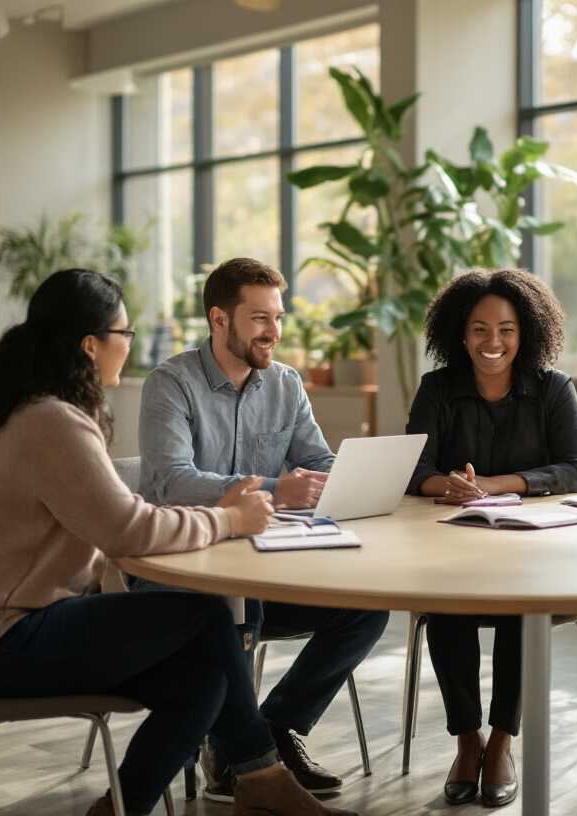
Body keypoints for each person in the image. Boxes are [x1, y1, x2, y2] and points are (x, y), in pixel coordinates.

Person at [0, 268, 356, 816]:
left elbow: (118, 524)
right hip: (1, 641)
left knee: (202, 683)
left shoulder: (39, 411)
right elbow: (128, 528)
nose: (128, 345)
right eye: (124, 333)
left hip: (13, 628)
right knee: (206, 618)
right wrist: (229, 520)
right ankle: (264, 780)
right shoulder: (52, 423)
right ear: (91, 345)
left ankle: (123, 808)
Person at [133, 257, 389, 801]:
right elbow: (173, 483)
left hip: (264, 572)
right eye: (259, 318)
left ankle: (264, 737)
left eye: (278, 316)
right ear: (219, 319)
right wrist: (276, 489)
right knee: (235, 605)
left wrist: (365, 472)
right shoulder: (170, 384)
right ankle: (246, 764)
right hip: (179, 580)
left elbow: (315, 458)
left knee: (364, 608)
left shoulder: (286, 384)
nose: (274, 331)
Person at [405, 268, 577, 807]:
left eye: (506, 329)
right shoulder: (436, 388)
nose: (493, 342)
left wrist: (495, 486)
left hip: (530, 549)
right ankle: (468, 740)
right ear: (460, 335)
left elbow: (574, 470)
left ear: (524, 332)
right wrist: (453, 486)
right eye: (480, 329)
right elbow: (415, 467)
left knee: (520, 607)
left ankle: (503, 740)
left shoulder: (554, 388)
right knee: (445, 606)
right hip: (452, 544)